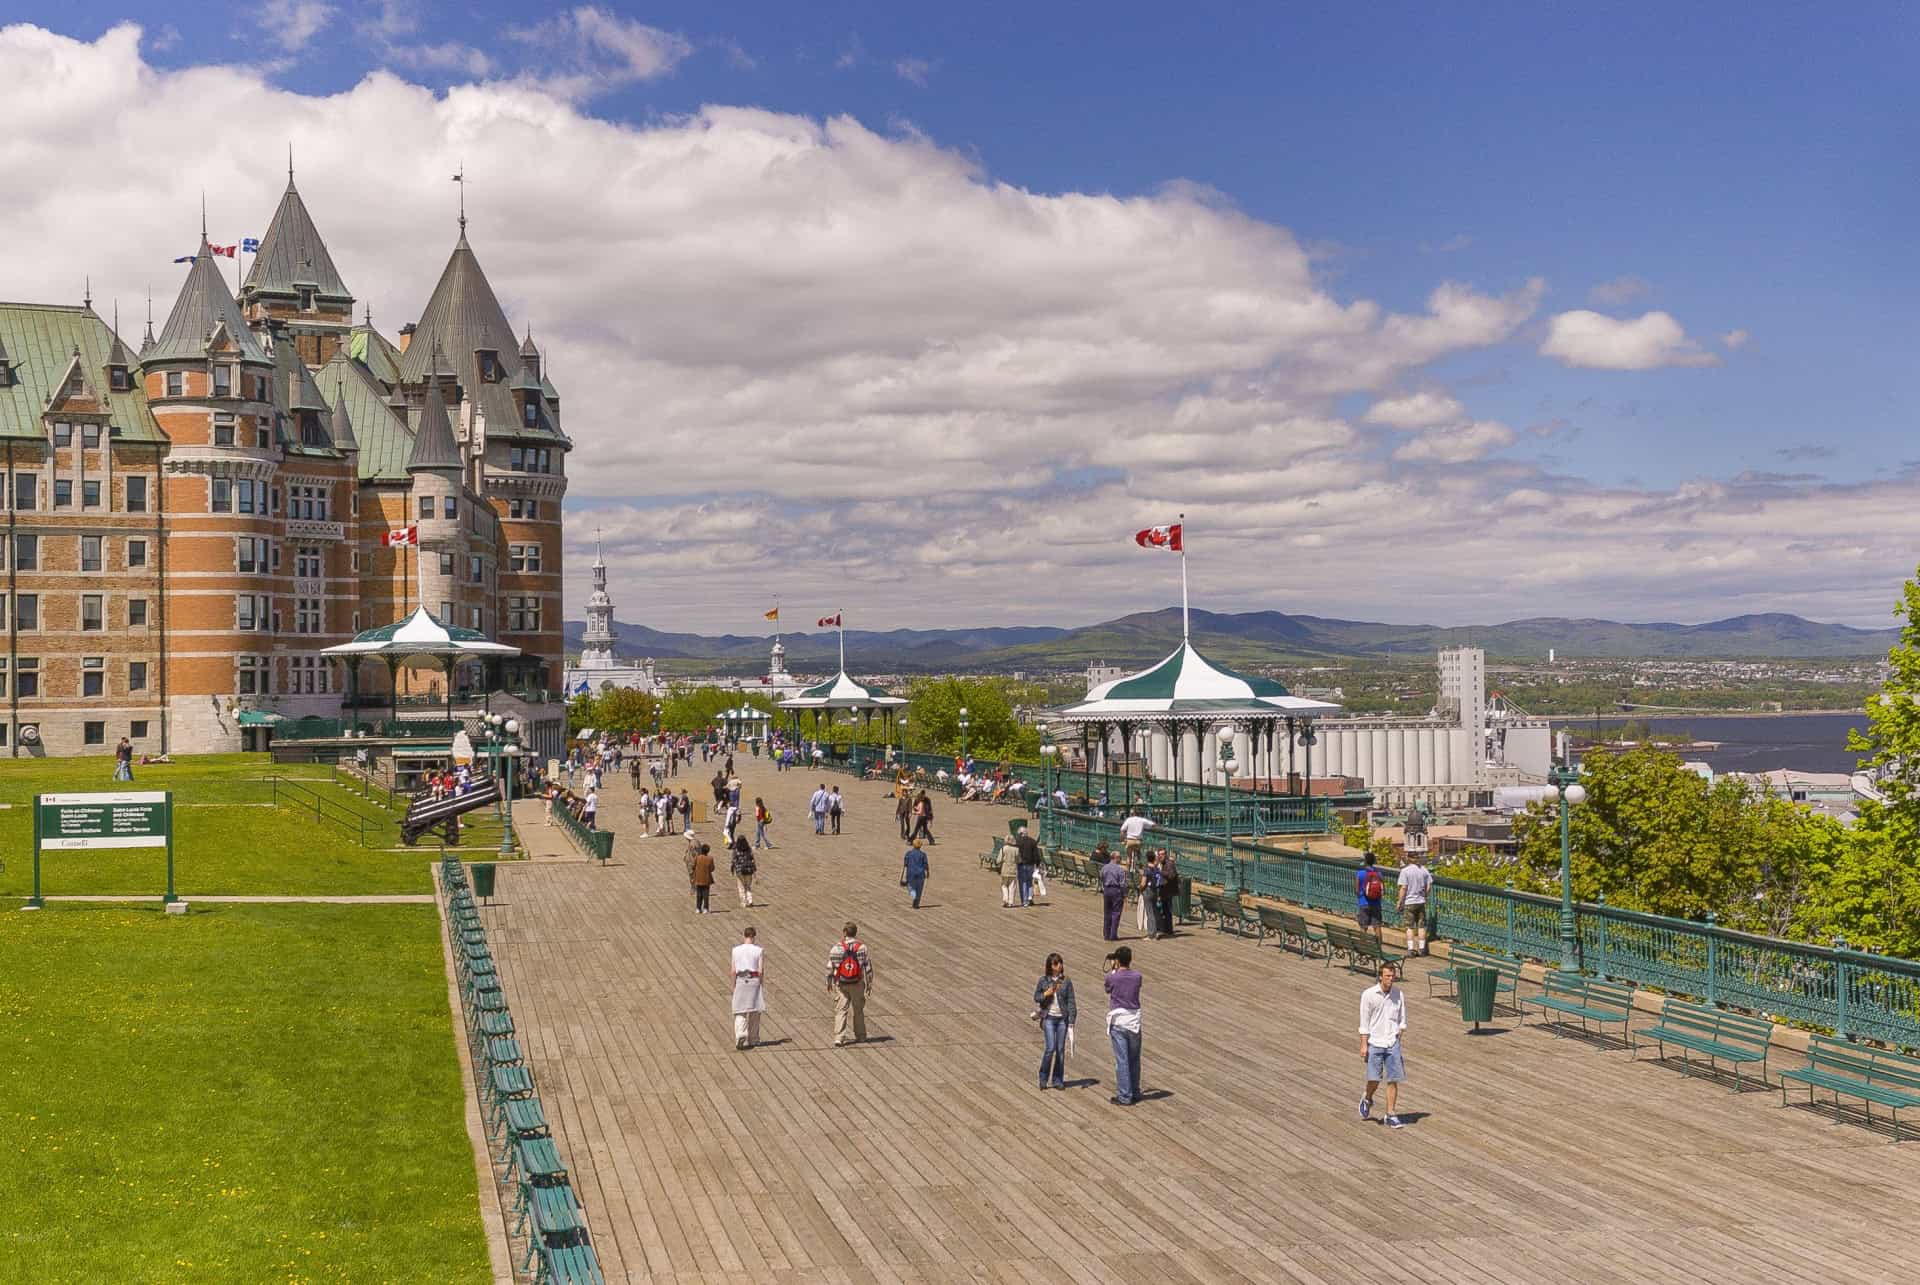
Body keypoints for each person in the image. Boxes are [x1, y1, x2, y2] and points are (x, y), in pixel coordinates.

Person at [1358, 962, 1408, 1128]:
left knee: (1393, 1079)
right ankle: (1367, 1097)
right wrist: (1364, 1045)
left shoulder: (1398, 994)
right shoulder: (1369, 995)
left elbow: (1402, 1018)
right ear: (1380, 976)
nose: (1390, 979)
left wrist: (1400, 1030)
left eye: (1393, 975)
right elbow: (1364, 1023)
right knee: (1374, 1078)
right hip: (1375, 1041)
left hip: (1392, 1041)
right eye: (1387, 975)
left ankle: (1391, 1113)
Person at [1104, 947, 1143, 1106]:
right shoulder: (1137, 976)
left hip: (1119, 1021)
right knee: (1134, 1059)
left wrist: (1114, 970)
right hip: (1134, 1021)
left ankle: (1125, 1095)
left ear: (1118, 960)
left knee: (1122, 1060)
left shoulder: (1113, 977)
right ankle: (1134, 1091)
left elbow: (1108, 988)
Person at [1034, 952, 1077, 1090]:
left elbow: (1071, 1001)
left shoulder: (1066, 981)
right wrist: (1046, 994)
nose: (1059, 965)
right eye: (1056, 963)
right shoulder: (1043, 980)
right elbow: (1037, 997)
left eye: (1060, 963)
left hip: (1062, 1019)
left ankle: (1058, 1079)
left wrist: (1071, 1019)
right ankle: (1043, 1077)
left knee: (1060, 1050)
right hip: (1049, 1018)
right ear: (1050, 966)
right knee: (1050, 1048)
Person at [826, 923, 872, 1047]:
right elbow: (868, 967)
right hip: (857, 983)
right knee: (858, 1010)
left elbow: (830, 967)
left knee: (841, 1010)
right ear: (855, 932)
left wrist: (829, 981)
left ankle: (839, 1037)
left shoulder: (836, 947)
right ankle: (861, 1036)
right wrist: (869, 984)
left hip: (842, 983)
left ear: (844, 932)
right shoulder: (862, 947)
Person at [731, 927, 766, 1050]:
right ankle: (754, 1039)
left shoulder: (735, 950)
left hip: (741, 978)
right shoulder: (759, 950)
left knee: (739, 1010)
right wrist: (761, 983)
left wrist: (733, 984)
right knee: (755, 1010)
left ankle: (741, 1033)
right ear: (754, 936)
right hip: (754, 979)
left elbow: (733, 970)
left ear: (744, 936)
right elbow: (760, 970)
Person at [1397, 850, 1434, 956]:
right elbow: (1429, 885)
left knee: (1409, 926)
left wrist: (1400, 901)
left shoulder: (1405, 871)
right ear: (1417, 858)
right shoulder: (1424, 870)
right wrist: (1425, 895)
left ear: (1408, 858)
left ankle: (1411, 949)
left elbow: (1403, 887)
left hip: (1409, 902)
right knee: (1421, 926)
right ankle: (1422, 949)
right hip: (1421, 901)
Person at [1099, 846, 1128, 940]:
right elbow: (1123, 884)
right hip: (1116, 891)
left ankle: (1106, 934)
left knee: (1107, 912)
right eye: (1120, 857)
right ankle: (1113, 935)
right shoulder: (1120, 870)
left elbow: (1101, 877)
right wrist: (1124, 894)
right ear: (1115, 858)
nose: (1121, 859)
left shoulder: (1104, 867)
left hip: (1107, 890)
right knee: (1116, 913)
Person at [1356, 853, 1385, 933]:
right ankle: (1378, 945)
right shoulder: (1379, 874)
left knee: (1363, 927)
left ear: (1365, 861)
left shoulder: (1360, 873)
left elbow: (1357, 890)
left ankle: (1363, 945)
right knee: (1377, 926)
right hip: (1376, 903)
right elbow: (1383, 890)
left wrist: (1360, 897)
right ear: (1374, 861)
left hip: (1363, 903)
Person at [1014, 825, 1041, 908]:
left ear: (1021, 833)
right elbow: (1036, 855)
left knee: (1023, 882)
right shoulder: (1032, 841)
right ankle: (1030, 898)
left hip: (1021, 865)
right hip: (1031, 865)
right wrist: (1037, 864)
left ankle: (1025, 901)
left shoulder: (1018, 842)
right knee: (1030, 882)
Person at [1156, 850, 1180, 938]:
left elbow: (1171, 875)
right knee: (1165, 910)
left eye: (1162, 854)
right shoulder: (1162, 863)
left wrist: (1160, 872)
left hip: (1168, 890)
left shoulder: (1169, 864)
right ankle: (1165, 929)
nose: (1160, 856)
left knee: (1167, 910)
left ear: (1166, 855)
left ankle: (1169, 930)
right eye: (1159, 854)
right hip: (1164, 890)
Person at [730, 831, 757, 907]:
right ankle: (750, 900)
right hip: (749, 870)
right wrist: (754, 871)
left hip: (740, 871)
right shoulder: (749, 849)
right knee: (748, 886)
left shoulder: (736, 850)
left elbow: (733, 860)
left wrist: (732, 868)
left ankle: (744, 902)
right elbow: (752, 860)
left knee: (741, 886)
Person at [901, 839, 929, 909]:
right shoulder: (923, 854)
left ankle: (914, 896)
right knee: (919, 889)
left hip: (911, 873)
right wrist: (927, 872)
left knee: (911, 887)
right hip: (920, 874)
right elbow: (925, 864)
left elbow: (905, 864)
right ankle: (916, 902)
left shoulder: (908, 853)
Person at [689, 842, 716, 914]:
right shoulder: (710, 858)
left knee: (699, 894)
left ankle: (698, 908)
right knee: (706, 894)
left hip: (698, 878)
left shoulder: (697, 858)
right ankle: (705, 908)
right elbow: (712, 868)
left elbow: (693, 866)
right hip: (706, 879)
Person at [998, 834, 1020, 908]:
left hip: (1005, 869)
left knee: (1004, 885)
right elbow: (1019, 860)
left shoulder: (1003, 848)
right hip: (1013, 869)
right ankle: (1011, 902)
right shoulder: (1016, 849)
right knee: (1012, 886)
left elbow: (999, 860)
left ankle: (1005, 899)